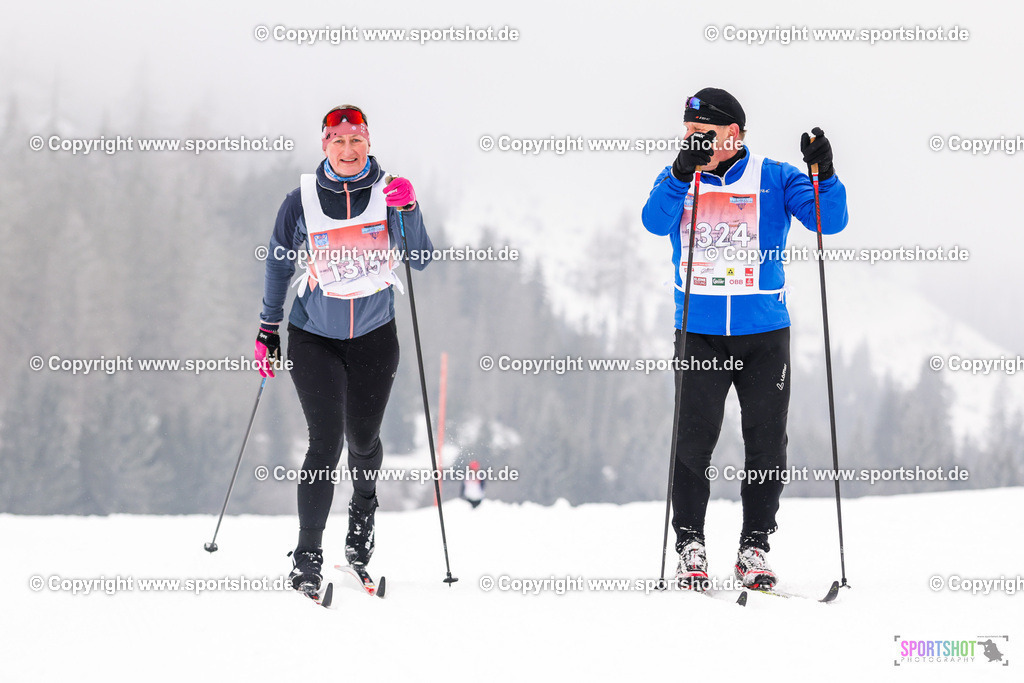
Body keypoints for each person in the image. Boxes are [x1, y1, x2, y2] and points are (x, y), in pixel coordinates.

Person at [641, 88, 848, 590]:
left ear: (733, 134)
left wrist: (825, 174)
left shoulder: (774, 177)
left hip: (763, 336)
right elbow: (654, 222)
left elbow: (829, 220)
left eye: (702, 134)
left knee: (766, 445)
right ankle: (690, 546)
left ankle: (754, 546)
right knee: (693, 442)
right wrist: (679, 173)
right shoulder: (677, 178)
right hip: (699, 334)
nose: (692, 141)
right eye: (687, 133)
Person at [255, 105, 434, 596]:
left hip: (376, 335)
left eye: (356, 141)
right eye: (339, 142)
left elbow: (420, 258)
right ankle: (307, 555)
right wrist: (268, 329)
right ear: (325, 146)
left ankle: (361, 521)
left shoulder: (391, 193)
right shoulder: (301, 201)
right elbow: (277, 266)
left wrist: (412, 209)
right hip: (314, 335)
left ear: (369, 142)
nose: (349, 151)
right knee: (325, 440)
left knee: (363, 441)